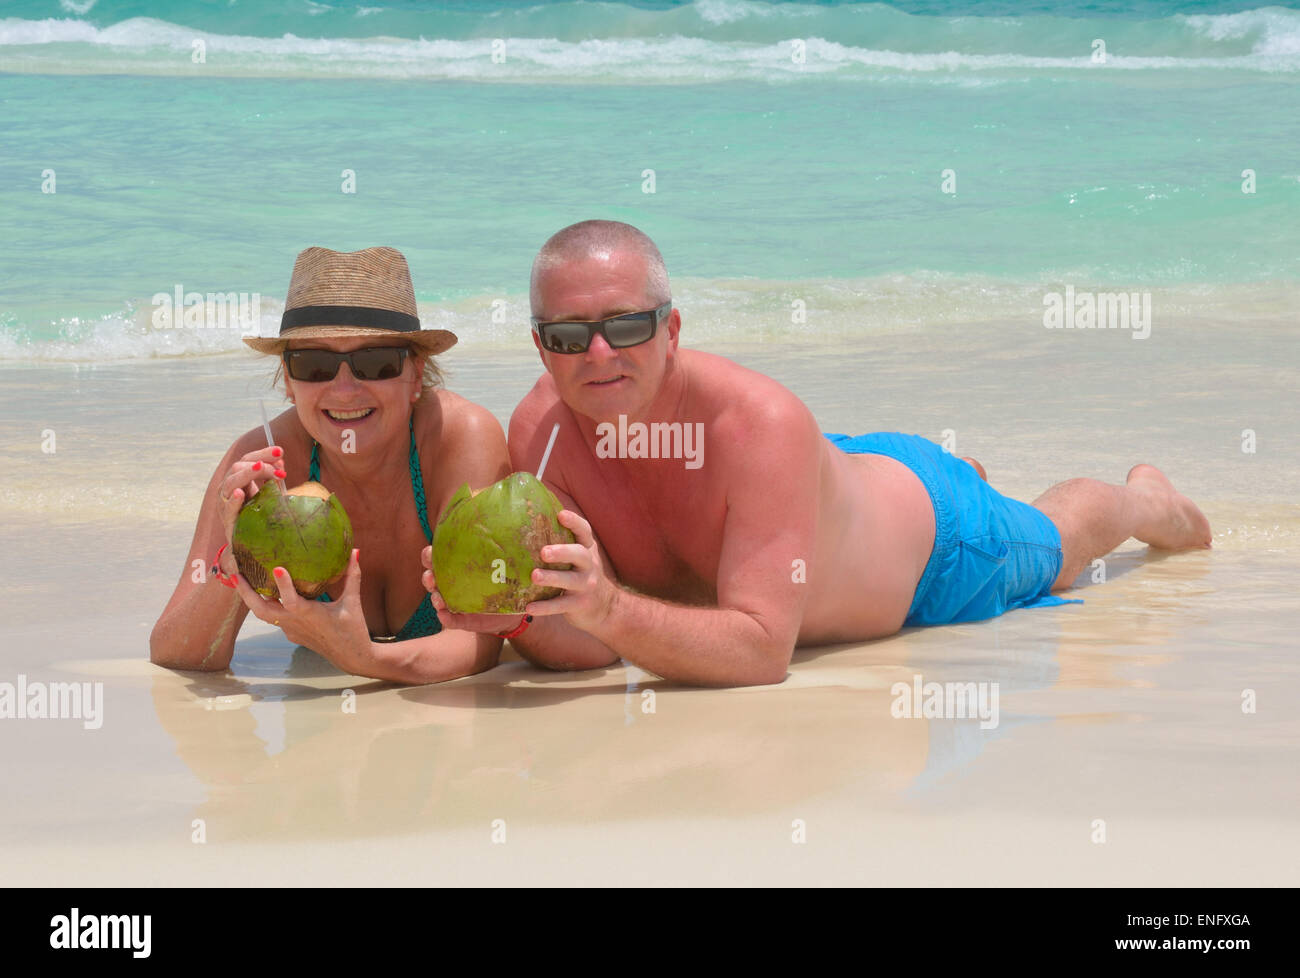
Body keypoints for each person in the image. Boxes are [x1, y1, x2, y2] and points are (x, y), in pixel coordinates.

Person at [422, 220, 1212, 687]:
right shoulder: (544, 433)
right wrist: (518, 619)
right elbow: (591, 647)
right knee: (822, 475)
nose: (599, 355)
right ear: (539, 346)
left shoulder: (757, 423)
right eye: (569, 336)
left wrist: (607, 606)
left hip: (937, 546)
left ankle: (1144, 497)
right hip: (808, 483)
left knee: (1054, 546)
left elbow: (763, 651)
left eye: (625, 326)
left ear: (671, 328)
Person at [151, 246, 513, 683]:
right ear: (288, 380)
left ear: (415, 376)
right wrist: (237, 562)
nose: (344, 390)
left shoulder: (458, 437)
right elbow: (177, 653)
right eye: (315, 364)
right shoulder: (264, 462)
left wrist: (366, 662)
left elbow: (483, 635)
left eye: (374, 364)